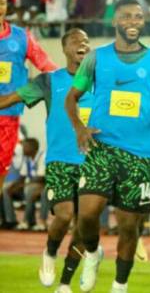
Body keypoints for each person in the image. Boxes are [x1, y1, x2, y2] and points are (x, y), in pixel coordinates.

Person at [65, 0, 150, 293]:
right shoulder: (96, 58)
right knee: (86, 215)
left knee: (129, 227)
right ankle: (93, 253)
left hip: (139, 156)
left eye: (138, 17)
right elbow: (71, 98)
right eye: (126, 16)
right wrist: (79, 127)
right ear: (115, 21)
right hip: (101, 148)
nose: (133, 22)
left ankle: (120, 284)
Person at [0, 28, 91, 293]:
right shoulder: (49, 81)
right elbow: (11, 98)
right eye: (75, 40)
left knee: (85, 224)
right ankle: (50, 253)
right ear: (64, 49)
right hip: (60, 160)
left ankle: (65, 283)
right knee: (64, 215)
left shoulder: (102, 81)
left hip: (92, 163)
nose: (82, 44)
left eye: (86, 41)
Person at [0, 0, 57, 191]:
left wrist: (71, 80)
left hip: (8, 115)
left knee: (1, 169)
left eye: (1, 3)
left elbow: (46, 64)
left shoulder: (21, 37)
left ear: (7, 6)